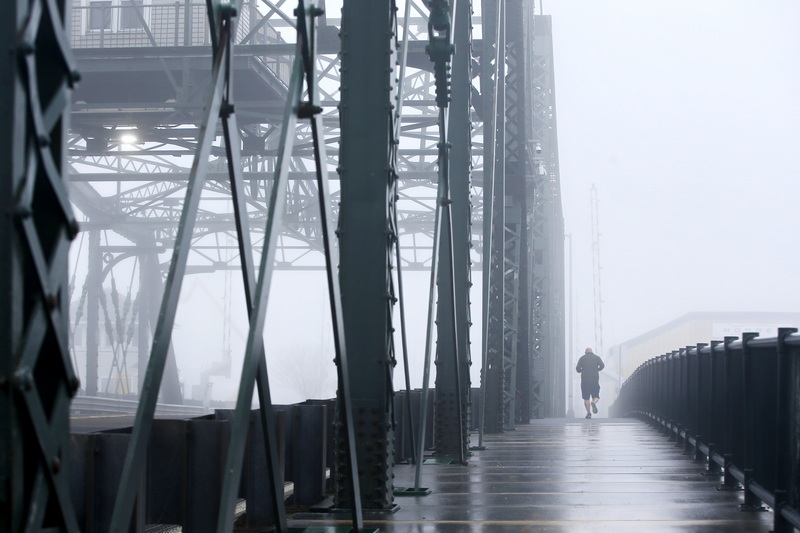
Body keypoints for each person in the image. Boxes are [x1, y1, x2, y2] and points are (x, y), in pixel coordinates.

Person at [576, 347, 604, 419]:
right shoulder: (597, 358)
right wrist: (596, 369)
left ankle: (588, 413)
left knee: (586, 398)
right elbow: (602, 366)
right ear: (592, 351)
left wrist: (583, 370)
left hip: (585, 380)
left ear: (585, 352)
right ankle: (594, 402)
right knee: (596, 396)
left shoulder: (582, 358)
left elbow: (578, 369)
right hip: (594, 380)